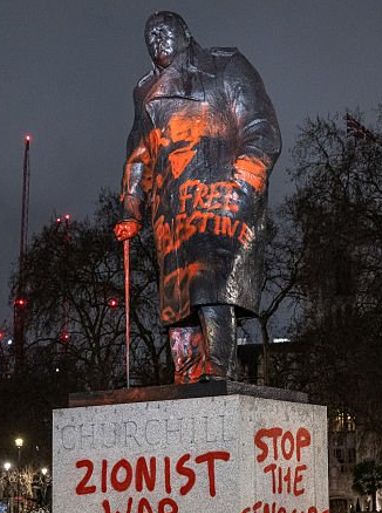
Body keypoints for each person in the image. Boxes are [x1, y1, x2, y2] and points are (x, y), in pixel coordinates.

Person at [115, 11, 281, 383]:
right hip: (171, 211)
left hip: (221, 198)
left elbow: (261, 128)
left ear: (186, 32)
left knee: (211, 286)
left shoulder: (227, 66)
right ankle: (187, 373)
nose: (157, 39)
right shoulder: (145, 92)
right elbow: (139, 154)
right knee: (177, 302)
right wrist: (130, 207)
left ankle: (219, 369)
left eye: (164, 31)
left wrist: (241, 185)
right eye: (150, 36)